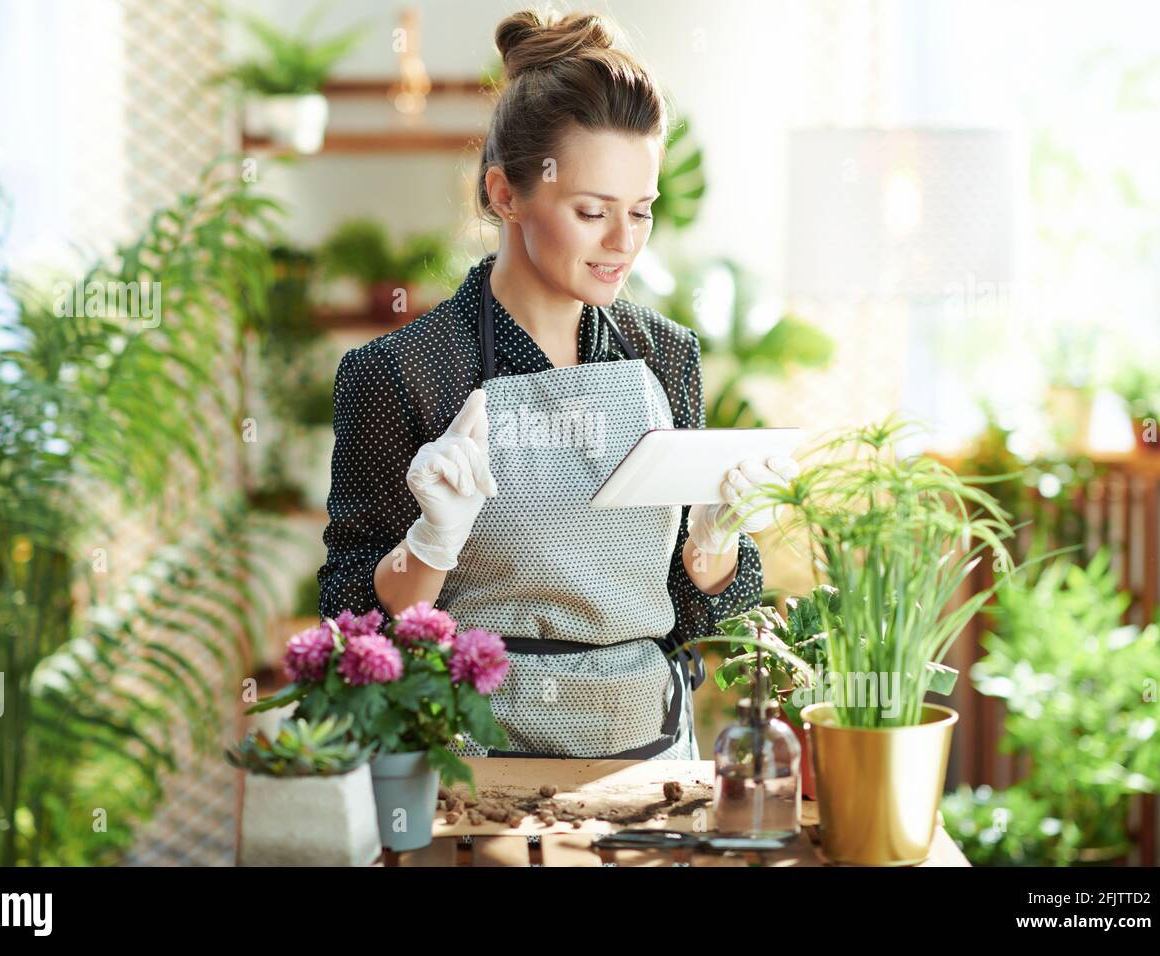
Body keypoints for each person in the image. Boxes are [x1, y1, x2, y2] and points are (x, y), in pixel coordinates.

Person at [317, 9, 799, 761]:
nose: (622, 243)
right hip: (470, 777)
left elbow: (701, 617)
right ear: (505, 194)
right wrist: (430, 543)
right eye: (590, 212)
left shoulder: (664, 358)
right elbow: (349, 621)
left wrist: (716, 544)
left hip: (648, 766)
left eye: (640, 212)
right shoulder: (401, 372)